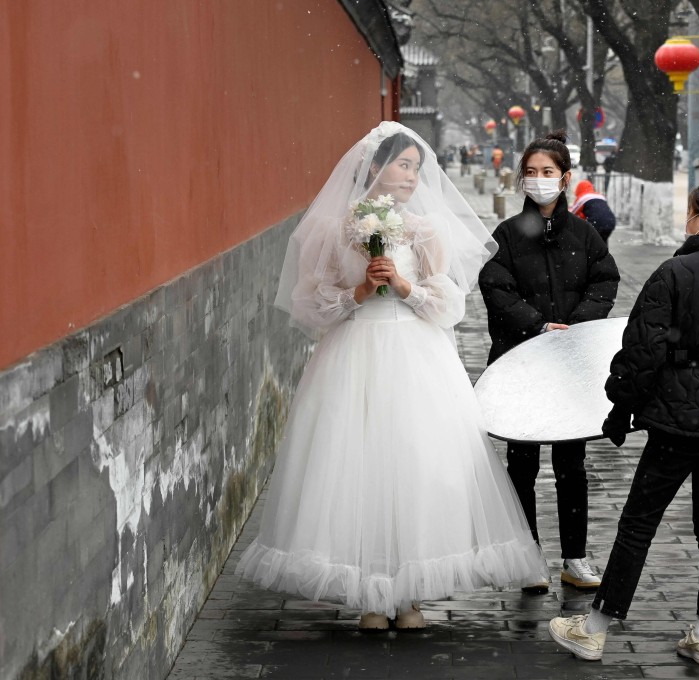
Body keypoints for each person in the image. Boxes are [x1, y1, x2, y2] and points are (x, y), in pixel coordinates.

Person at [236, 122, 546, 631]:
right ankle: (369, 595)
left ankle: (411, 597)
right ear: (375, 168)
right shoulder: (334, 229)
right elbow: (309, 303)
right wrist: (358, 293)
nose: (411, 176)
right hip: (354, 351)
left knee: (416, 464)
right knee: (357, 464)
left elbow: (449, 304)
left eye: (416, 168)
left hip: (415, 355)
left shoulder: (423, 230)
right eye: (403, 165)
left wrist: (404, 286)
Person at [547, 176, 699, 665]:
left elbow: (640, 352)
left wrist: (621, 406)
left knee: (639, 522)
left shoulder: (675, 272)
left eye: (692, 211)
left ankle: (596, 627)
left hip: (677, 419)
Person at [479, 131, 620, 593]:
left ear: (565, 178)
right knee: (521, 463)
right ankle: (527, 557)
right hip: (520, 362)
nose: (539, 181)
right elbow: (497, 289)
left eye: (548, 173)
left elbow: (604, 281)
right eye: (532, 173)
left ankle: (574, 557)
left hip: (569, 364)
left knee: (571, 464)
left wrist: (576, 325)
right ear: (522, 178)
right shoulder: (506, 235)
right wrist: (538, 326)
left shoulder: (584, 234)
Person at [569, 179, 616, 244]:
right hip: (610, 222)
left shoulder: (582, 197)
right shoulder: (600, 196)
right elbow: (602, 211)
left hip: (596, 223)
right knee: (602, 243)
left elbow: (572, 213)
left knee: (588, 243)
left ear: (578, 189)